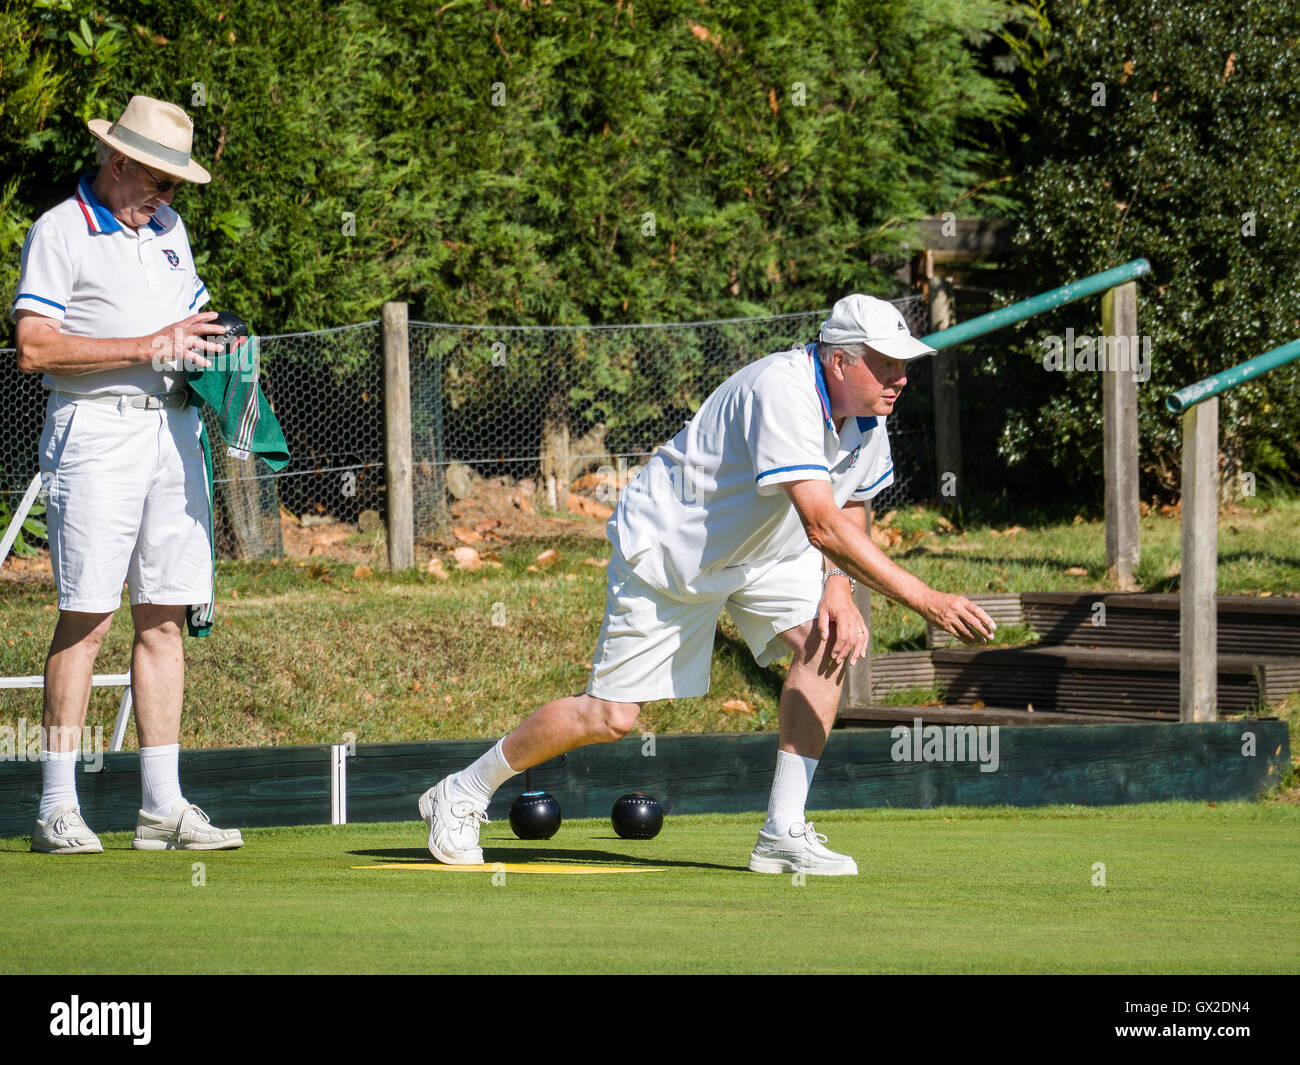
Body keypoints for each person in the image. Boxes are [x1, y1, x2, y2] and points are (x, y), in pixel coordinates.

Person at [420, 294, 997, 874]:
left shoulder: (869, 415)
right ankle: (464, 789)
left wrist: (838, 588)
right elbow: (822, 525)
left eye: (903, 365)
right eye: (886, 364)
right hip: (673, 549)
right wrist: (925, 599)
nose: (900, 378)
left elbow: (851, 504)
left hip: (765, 551)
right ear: (840, 362)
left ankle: (782, 833)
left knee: (827, 643)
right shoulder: (783, 389)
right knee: (610, 718)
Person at [11, 95, 242, 853]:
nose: (170, 198)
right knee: (88, 615)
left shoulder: (170, 231)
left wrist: (223, 341)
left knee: (165, 616)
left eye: (175, 186)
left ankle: (161, 807)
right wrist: (149, 344)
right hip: (95, 432)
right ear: (120, 163)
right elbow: (35, 348)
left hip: (172, 433)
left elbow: (190, 321)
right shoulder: (59, 230)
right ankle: (55, 807)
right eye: (162, 182)